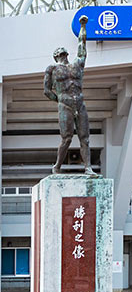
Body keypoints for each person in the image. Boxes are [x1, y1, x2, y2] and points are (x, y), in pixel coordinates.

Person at [43, 15, 93, 175]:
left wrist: (83, 26)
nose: (61, 51)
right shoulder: (52, 69)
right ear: (55, 56)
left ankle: (88, 167)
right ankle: (57, 166)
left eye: (63, 50)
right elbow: (46, 90)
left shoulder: (77, 65)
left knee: (85, 138)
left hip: (80, 103)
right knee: (67, 138)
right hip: (65, 105)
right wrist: (60, 100)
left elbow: (82, 44)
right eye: (58, 51)